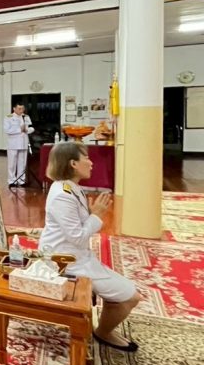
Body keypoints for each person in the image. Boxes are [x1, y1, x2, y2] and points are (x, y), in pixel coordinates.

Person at [40, 142, 141, 351]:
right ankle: (103, 332)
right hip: (66, 262)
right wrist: (96, 215)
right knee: (130, 297)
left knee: (125, 294)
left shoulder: (71, 188)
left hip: (78, 256)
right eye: (86, 158)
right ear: (73, 163)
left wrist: (93, 215)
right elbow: (77, 237)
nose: (91, 162)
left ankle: (104, 327)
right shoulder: (62, 195)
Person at [3, 104, 34, 188]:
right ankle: (11, 181)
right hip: (13, 144)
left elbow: (32, 128)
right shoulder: (8, 117)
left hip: (23, 143)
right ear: (14, 108)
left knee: (22, 163)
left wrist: (27, 130)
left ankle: (21, 180)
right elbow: (7, 130)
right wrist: (20, 129)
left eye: (22, 108)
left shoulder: (26, 117)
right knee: (12, 163)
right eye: (19, 108)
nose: (21, 110)